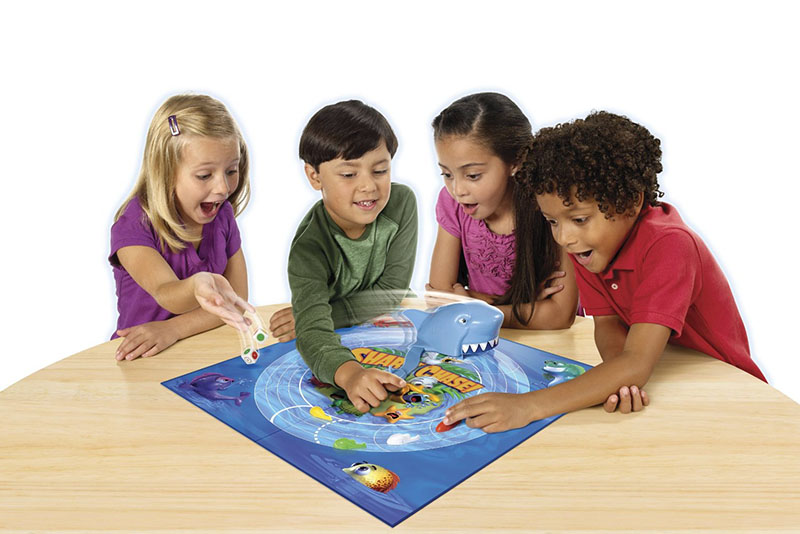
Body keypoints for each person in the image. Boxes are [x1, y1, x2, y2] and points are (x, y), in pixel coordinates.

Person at [443, 111, 766, 432]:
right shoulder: (592, 249)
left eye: (579, 219)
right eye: (552, 221)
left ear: (631, 202)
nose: (564, 238)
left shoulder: (670, 246)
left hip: (728, 391)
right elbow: (609, 325)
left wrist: (528, 406)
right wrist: (619, 378)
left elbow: (637, 361)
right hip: (668, 386)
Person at [269, 100, 418, 413]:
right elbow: (312, 335)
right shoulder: (309, 248)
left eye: (380, 170)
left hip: (396, 327)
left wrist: (321, 315)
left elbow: (393, 290)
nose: (369, 186)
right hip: (338, 346)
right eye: (349, 174)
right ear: (315, 176)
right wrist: (350, 375)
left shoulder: (401, 203)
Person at [110, 94, 254, 361]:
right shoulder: (133, 225)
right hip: (141, 357)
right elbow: (167, 293)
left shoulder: (223, 216)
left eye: (231, 171)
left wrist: (174, 329)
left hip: (202, 353)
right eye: (204, 175)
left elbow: (236, 301)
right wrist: (198, 285)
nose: (223, 188)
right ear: (165, 171)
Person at [427, 92, 578, 329]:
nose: (457, 190)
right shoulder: (452, 204)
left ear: (515, 162)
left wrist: (476, 305)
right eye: (447, 174)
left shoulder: (549, 202)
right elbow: (440, 299)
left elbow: (560, 315)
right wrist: (521, 306)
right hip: (485, 340)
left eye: (472, 175)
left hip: (551, 343)